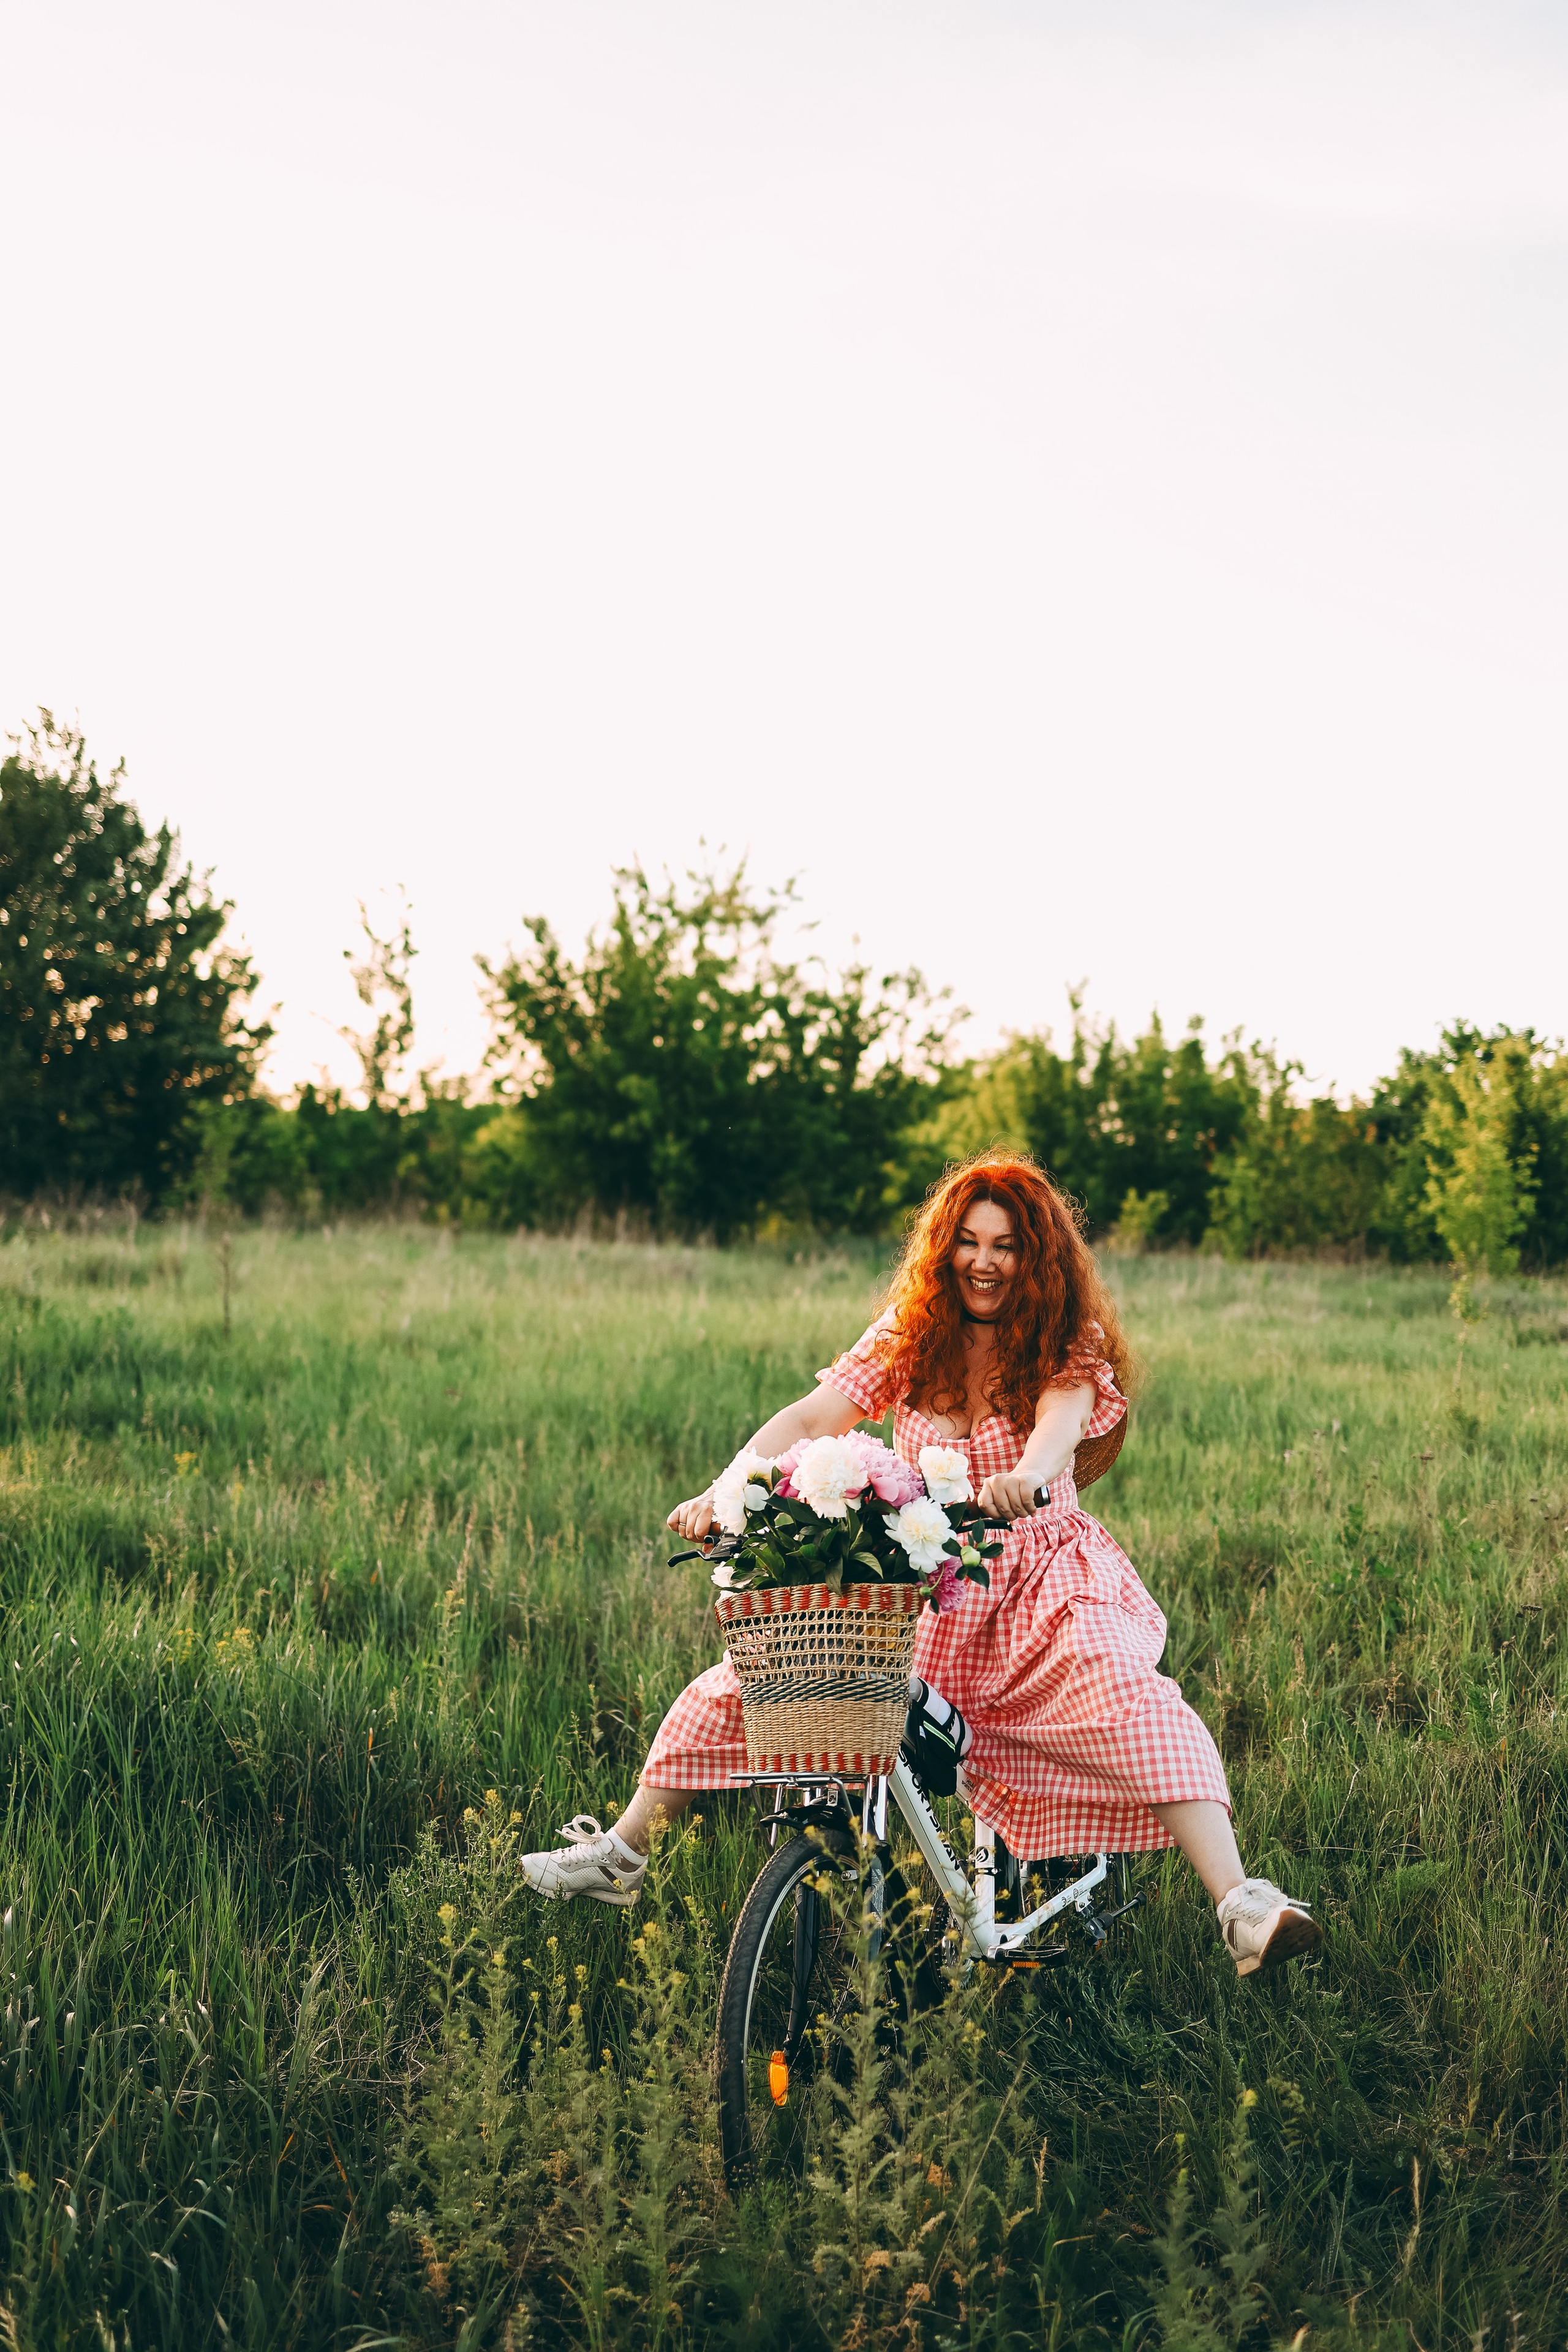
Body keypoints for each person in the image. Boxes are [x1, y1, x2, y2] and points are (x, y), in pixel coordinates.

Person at [519, 1152, 1321, 1978]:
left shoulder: (1063, 1340)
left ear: (1036, 1256)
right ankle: (622, 1854)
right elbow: (810, 1415)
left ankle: (1240, 1904)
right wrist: (723, 1492)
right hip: (928, 1578)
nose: (984, 1261)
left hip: (1042, 1577)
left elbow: (1061, 1422)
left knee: (1127, 1702)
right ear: (946, 1250)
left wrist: (1030, 1477)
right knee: (765, 1677)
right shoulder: (915, 1331)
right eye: (969, 1242)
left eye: (1007, 1246)